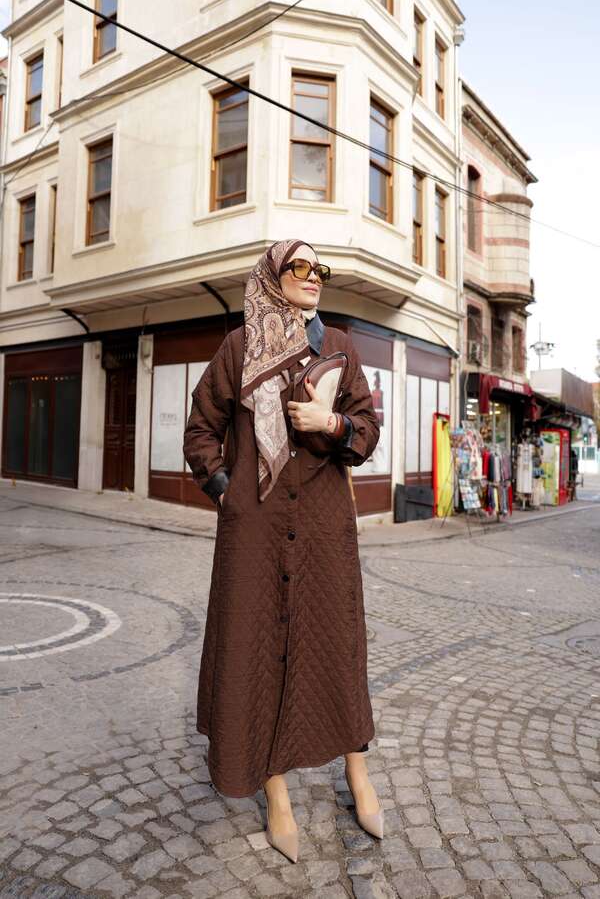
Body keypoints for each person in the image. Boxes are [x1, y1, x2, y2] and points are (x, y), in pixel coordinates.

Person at [183, 238, 383, 863]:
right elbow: (201, 429)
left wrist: (331, 424)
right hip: (256, 532)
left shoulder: (340, 347)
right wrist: (227, 491)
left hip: (324, 530)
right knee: (257, 652)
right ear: (272, 276)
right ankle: (276, 793)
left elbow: (367, 429)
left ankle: (358, 773)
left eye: (320, 269)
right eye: (300, 266)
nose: (313, 277)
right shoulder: (240, 348)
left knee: (338, 647)